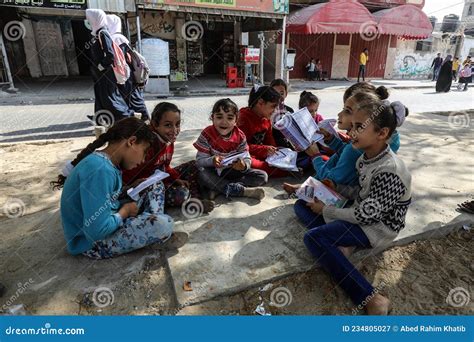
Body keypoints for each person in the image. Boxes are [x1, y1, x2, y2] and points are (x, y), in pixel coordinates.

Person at [300, 91, 412, 315]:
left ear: (382, 133)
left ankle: (371, 298)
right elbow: (360, 192)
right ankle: (342, 244)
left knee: (314, 238)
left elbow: (366, 216)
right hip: (360, 212)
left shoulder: (389, 170)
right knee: (301, 204)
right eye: (352, 126)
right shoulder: (365, 157)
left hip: (379, 227)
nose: (351, 132)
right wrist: (336, 188)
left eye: (359, 127)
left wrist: (327, 209)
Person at [52, 117, 186, 259]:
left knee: (154, 184)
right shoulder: (100, 170)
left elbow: (106, 198)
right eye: (144, 152)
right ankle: (153, 225)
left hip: (108, 218)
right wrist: (125, 211)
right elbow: (96, 230)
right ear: (132, 142)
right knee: (164, 225)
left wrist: (128, 188)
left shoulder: (103, 162)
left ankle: (151, 222)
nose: (142, 160)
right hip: (92, 242)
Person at [122, 102, 214, 213]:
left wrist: (175, 179)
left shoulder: (168, 141)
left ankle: (195, 196)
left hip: (160, 178)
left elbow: (164, 166)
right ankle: (190, 201)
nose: (174, 130)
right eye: (168, 125)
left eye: (177, 124)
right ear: (155, 124)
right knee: (181, 194)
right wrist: (129, 187)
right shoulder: (146, 145)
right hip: (145, 187)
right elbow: (130, 172)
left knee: (193, 165)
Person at [194, 98, 268, 200]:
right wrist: (212, 161)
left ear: (236, 120)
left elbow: (247, 157)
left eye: (229, 118)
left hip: (232, 172)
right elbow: (199, 162)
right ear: (212, 117)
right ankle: (242, 191)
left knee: (262, 176)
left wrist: (243, 166)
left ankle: (218, 188)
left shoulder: (240, 136)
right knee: (202, 174)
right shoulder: (206, 134)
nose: (224, 122)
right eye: (219, 117)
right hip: (213, 171)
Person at [85, 9, 134, 123]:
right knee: (103, 97)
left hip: (106, 73)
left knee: (110, 99)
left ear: (95, 19)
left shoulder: (103, 33)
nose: (88, 21)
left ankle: (127, 116)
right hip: (101, 73)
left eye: (89, 18)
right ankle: (101, 119)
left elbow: (110, 54)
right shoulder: (99, 33)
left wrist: (102, 66)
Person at [238, 85, 288, 178]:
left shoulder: (266, 118)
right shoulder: (243, 118)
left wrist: (274, 152)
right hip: (246, 155)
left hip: (263, 154)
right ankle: (284, 171)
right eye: (273, 106)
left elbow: (269, 139)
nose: (275, 111)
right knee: (259, 166)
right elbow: (241, 147)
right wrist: (264, 149)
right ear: (260, 103)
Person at [106, 14, 149, 121]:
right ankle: (137, 119)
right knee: (131, 97)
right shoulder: (118, 38)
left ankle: (145, 118)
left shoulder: (116, 38)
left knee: (133, 97)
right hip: (125, 74)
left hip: (125, 75)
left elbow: (125, 58)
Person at [270, 79, 294, 149]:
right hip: (273, 145)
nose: (279, 97)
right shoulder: (268, 111)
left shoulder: (289, 110)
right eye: (275, 93)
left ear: (286, 93)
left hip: (289, 144)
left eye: (281, 93)